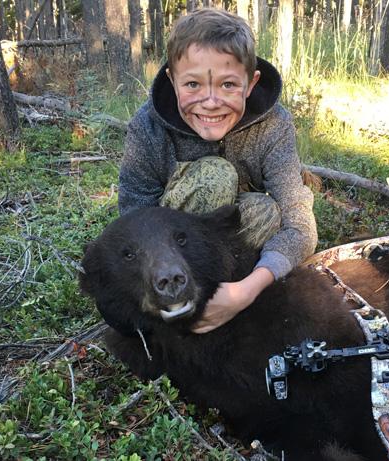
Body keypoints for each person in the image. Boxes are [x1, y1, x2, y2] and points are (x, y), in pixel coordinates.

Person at [118, 8, 318, 334]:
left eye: (228, 85)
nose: (211, 102)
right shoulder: (147, 127)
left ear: (251, 83)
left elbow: (301, 226)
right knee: (217, 176)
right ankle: (182, 300)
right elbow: (133, 220)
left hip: (229, 249)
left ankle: (227, 295)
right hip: (168, 256)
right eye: (193, 84)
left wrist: (246, 291)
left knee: (268, 211)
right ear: (172, 79)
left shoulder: (275, 125)